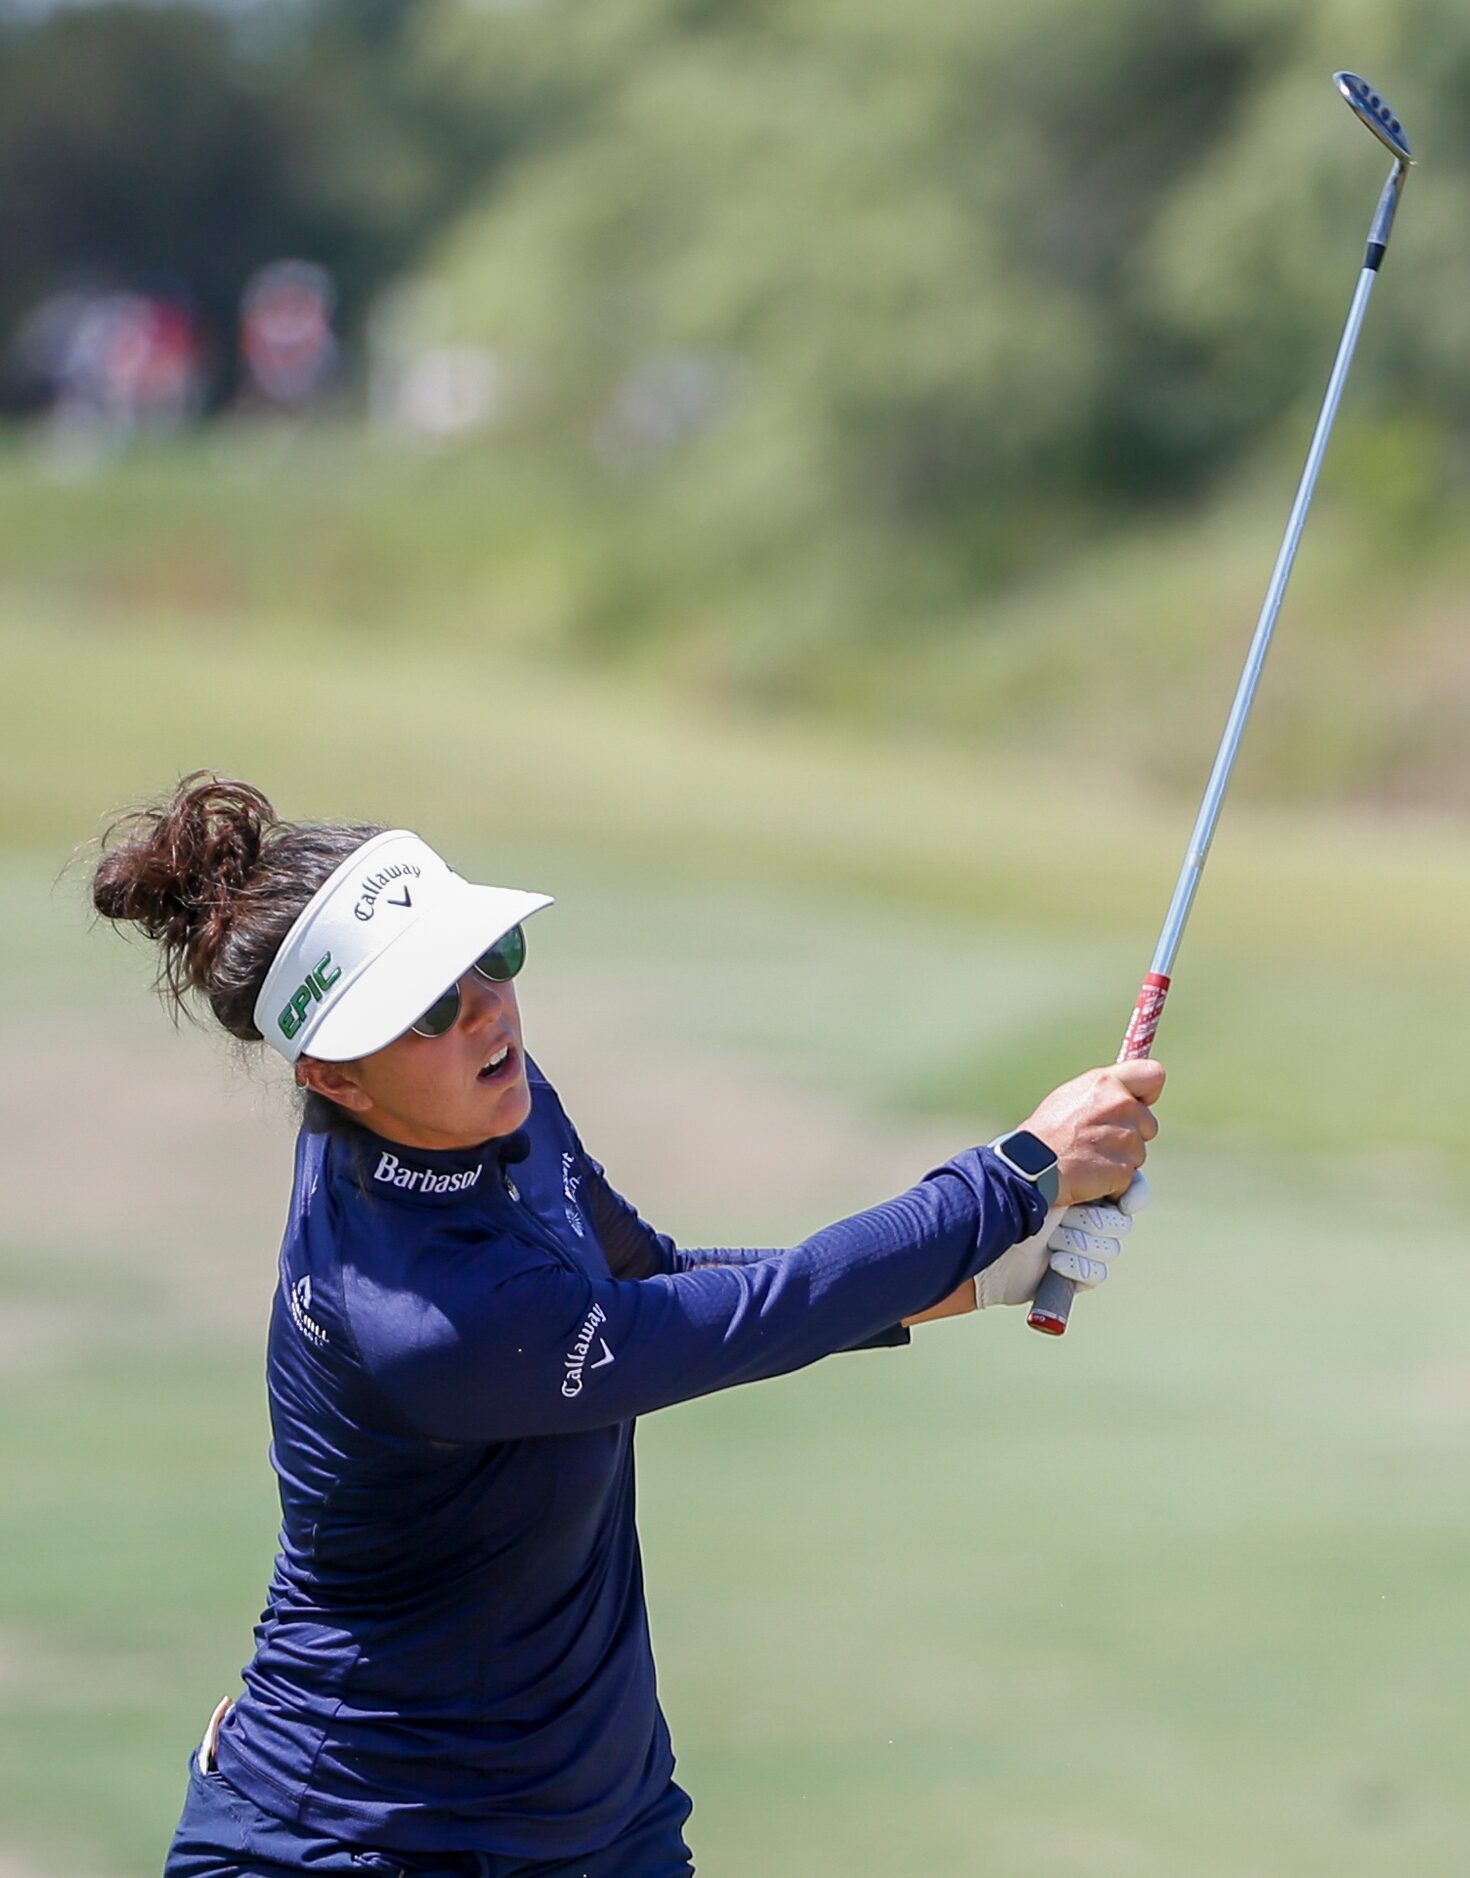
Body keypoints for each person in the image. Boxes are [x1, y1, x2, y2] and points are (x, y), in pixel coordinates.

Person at [90, 774, 1163, 1878]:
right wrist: (1012, 1179)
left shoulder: (494, 1108)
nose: (486, 1013)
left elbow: (654, 1285)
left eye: (489, 959)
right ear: (332, 1077)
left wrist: (981, 1277)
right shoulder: (429, 1320)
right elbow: (746, 1317)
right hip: (357, 1841)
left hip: (597, 1831)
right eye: (427, 1010)